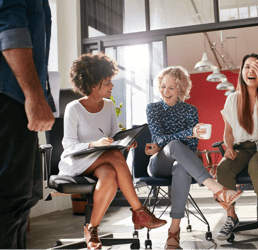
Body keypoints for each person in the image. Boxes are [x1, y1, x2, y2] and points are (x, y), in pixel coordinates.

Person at [60, 53, 167, 250]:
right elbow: (69, 146)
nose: (112, 85)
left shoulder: (108, 105)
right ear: (93, 85)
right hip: (76, 161)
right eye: (108, 82)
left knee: (109, 175)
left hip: (102, 161)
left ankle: (91, 229)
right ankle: (139, 211)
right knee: (114, 156)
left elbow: (114, 133)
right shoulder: (73, 109)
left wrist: (126, 141)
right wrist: (95, 144)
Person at [145, 66, 243, 250]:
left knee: (182, 167)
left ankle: (173, 233)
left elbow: (191, 148)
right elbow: (159, 139)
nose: (165, 92)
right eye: (163, 86)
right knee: (174, 145)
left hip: (180, 163)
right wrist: (188, 133)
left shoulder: (190, 110)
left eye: (171, 88)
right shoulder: (153, 108)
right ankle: (217, 189)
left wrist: (183, 137)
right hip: (159, 163)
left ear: (180, 90)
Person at [0, 1, 55, 249]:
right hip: (9, 96)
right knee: (11, 199)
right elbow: (9, 24)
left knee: (23, 196)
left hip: (15, 97)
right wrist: (34, 94)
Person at [215, 54, 258, 246]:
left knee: (257, 164)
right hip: (242, 149)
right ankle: (231, 217)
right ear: (241, 72)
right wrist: (229, 148)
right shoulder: (232, 99)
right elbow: (228, 132)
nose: (251, 71)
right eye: (247, 67)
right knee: (222, 168)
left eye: (256, 67)